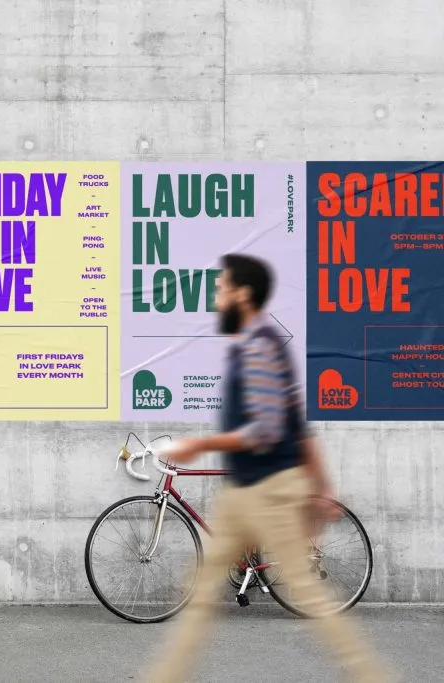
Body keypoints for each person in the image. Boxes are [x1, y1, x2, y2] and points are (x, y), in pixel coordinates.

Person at [142, 253, 392, 683]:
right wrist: (322, 483)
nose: (217, 297)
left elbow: (264, 430)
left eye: (221, 289)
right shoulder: (260, 344)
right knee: (201, 594)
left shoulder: (258, 346)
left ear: (242, 293)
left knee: (303, 592)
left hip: (267, 490)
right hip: (248, 491)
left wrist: (196, 444)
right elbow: (299, 422)